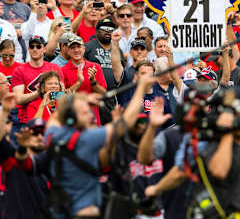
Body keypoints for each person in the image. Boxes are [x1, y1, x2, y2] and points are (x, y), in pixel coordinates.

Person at [45, 74, 160, 218]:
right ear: (72, 118)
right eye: (85, 113)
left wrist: (83, 100)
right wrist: (141, 88)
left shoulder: (52, 135)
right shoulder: (86, 139)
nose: (91, 116)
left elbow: (57, 115)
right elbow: (125, 123)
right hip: (85, 214)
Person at [11, 36, 63, 125]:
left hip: (51, 118)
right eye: (32, 46)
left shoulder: (54, 68)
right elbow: (18, 99)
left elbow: (61, 94)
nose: (35, 49)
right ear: (28, 49)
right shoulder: (19, 70)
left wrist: (46, 92)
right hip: (26, 120)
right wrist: (39, 92)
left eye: (38, 46)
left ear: (44, 49)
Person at [61, 36, 107, 125]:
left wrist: (93, 81)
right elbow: (60, 96)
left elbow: (103, 93)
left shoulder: (95, 67)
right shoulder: (62, 70)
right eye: (72, 47)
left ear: (84, 49)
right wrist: (78, 83)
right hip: (73, 117)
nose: (76, 50)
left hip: (92, 117)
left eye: (79, 47)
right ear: (68, 51)